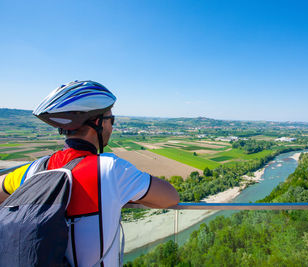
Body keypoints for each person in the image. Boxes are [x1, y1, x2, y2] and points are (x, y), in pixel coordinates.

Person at [0, 80, 180, 266]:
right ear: (97, 122)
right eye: (112, 119)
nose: (112, 126)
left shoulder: (35, 170)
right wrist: (119, 195)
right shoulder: (111, 170)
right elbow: (170, 197)